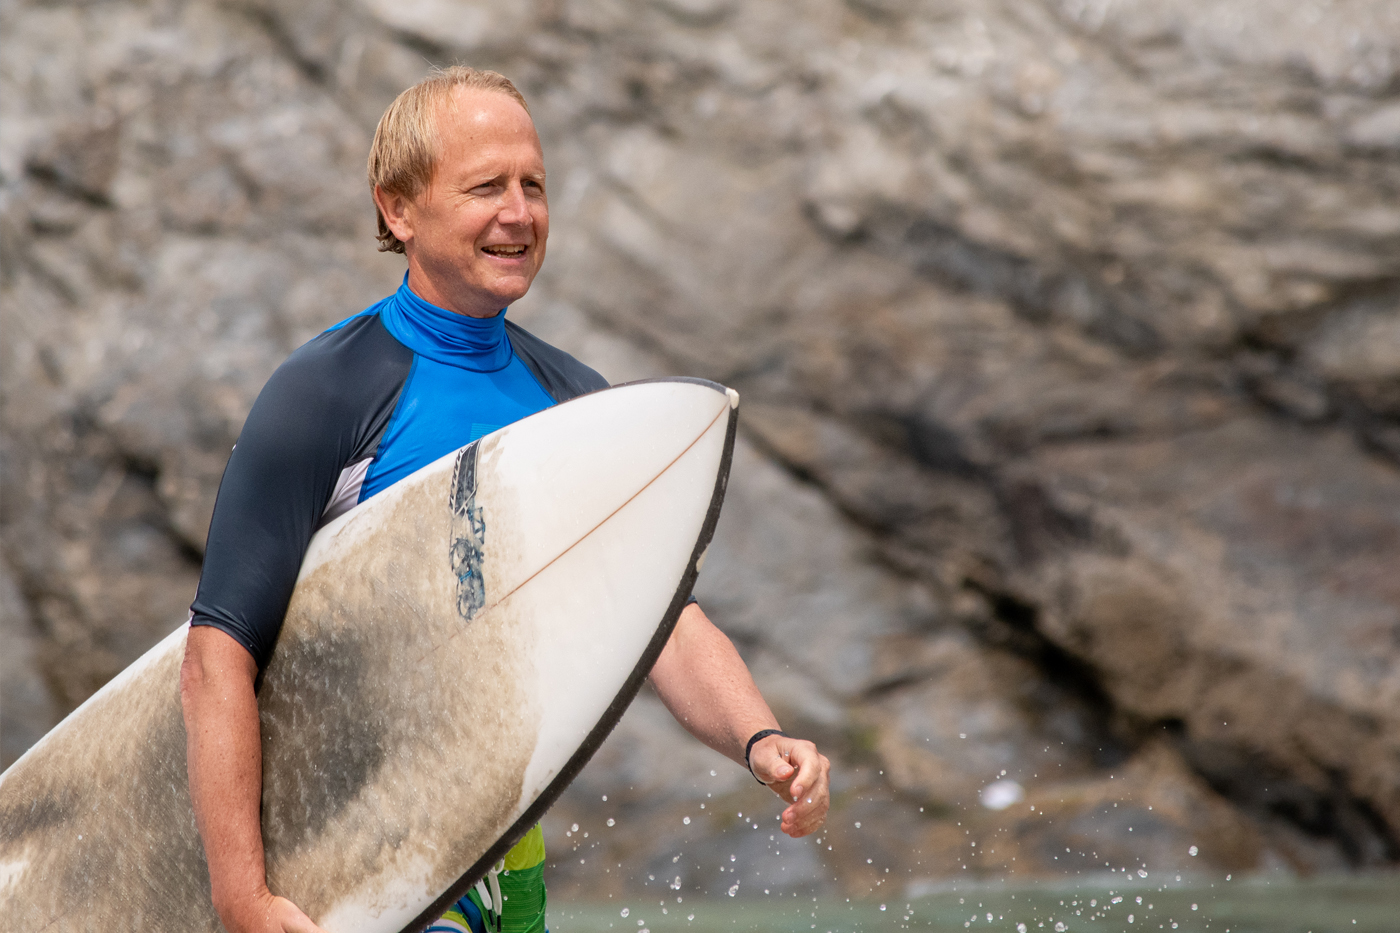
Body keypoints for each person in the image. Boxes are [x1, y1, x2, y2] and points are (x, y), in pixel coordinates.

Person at [179, 66, 830, 933]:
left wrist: (760, 739)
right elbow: (218, 652)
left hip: (504, 850)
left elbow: (663, 619)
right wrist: (242, 896)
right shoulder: (327, 392)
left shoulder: (573, 402)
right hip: (350, 853)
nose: (519, 213)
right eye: (486, 186)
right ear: (398, 209)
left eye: (534, 186)